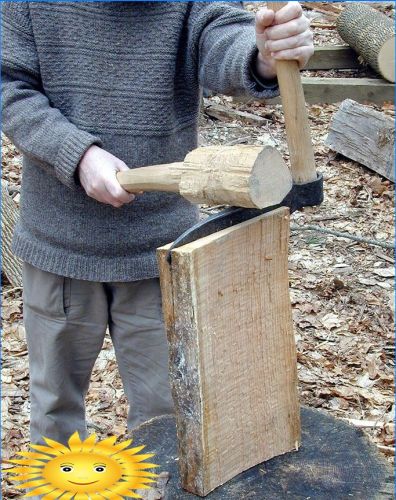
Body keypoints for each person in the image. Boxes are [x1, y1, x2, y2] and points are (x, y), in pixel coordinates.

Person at [2, 1, 313, 448]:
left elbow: (221, 34)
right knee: (54, 413)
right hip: (59, 246)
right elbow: (10, 86)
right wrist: (77, 154)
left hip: (162, 251)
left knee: (167, 419)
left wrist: (262, 53)